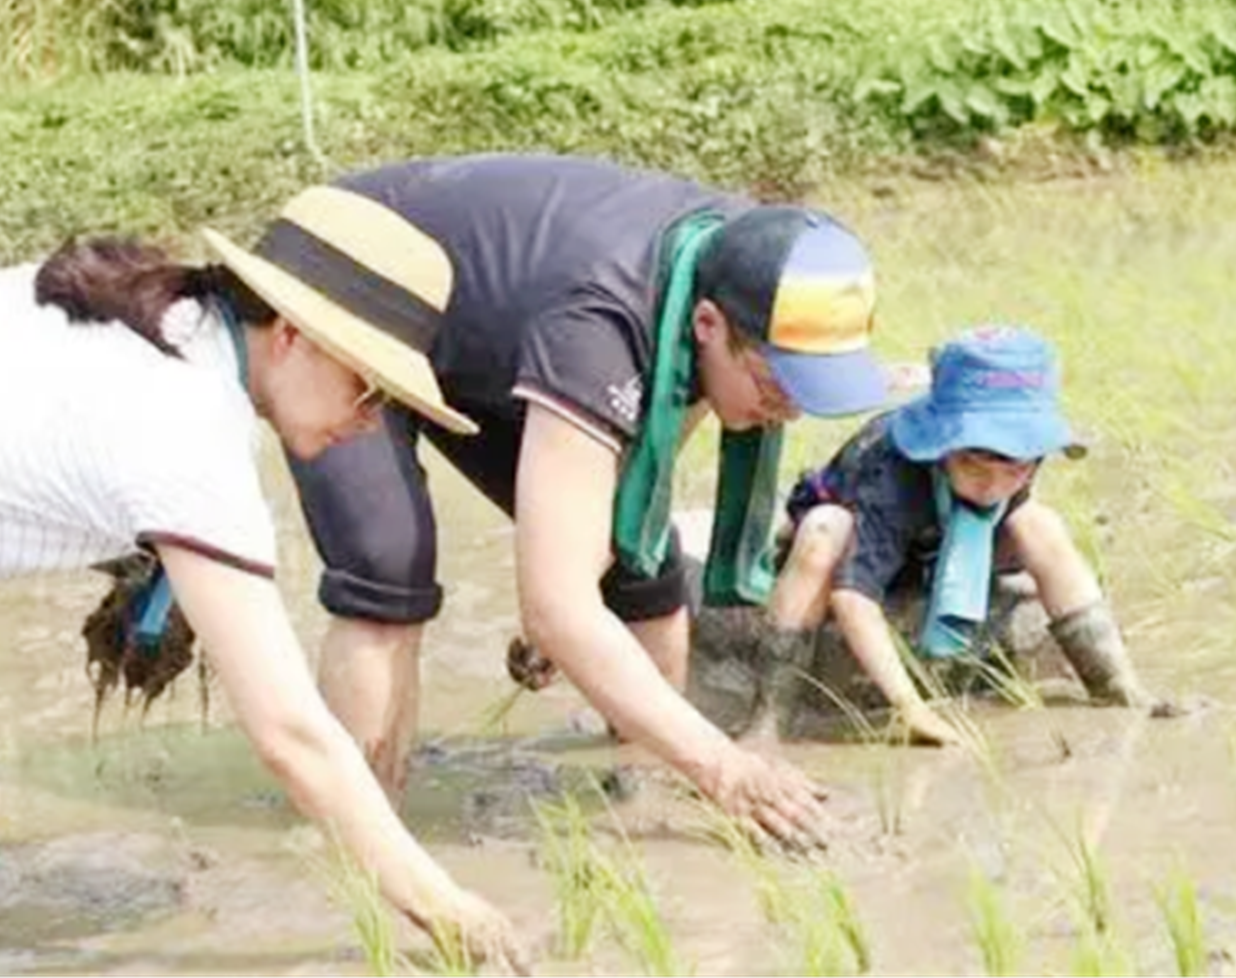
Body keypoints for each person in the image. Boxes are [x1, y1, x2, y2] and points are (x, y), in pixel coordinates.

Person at [0, 185, 524, 975]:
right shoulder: (188, 429)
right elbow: (292, 736)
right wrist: (444, 907)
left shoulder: (160, 319)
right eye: (370, 386)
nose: (372, 417)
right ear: (291, 336)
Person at [279, 154, 888, 849]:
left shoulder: (731, 262)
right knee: (389, 568)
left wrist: (573, 590)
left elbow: (633, 494)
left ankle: (640, 802)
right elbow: (558, 605)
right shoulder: (602, 325)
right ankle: (358, 844)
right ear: (710, 326)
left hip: (492, 325)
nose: (788, 414)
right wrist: (726, 766)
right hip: (349, 280)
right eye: (778, 386)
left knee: (641, 571)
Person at [764, 326, 1160, 746]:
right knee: (824, 527)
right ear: (941, 448)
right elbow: (853, 595)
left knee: (1040, 524)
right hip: (864, 543)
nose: (993, 487)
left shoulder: (1017, 465)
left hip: (943, 542)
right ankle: (768, 720)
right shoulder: (891, 474)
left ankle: (1117, 688)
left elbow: (1015, 505)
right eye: (975, 468)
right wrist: (911, 707)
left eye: (1015, 470)